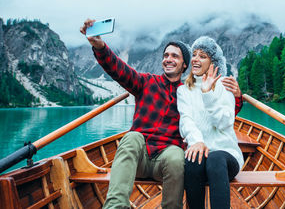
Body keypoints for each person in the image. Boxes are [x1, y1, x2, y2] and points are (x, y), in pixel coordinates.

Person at [80, 20, 243, 209]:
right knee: (132, 137)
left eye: (175, 56)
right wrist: (100, 47)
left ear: (184, 65)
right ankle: (115, 206)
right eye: (166, 55)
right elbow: (119, 70)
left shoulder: (189, 90)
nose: (168, 59)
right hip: (139, 158)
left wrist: (237, 97)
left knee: (176, 154)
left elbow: (221, 115)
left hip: (166, 160)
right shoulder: (146, 83)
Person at [177, 36, 244, 209]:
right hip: (200, 151)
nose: (196, 59)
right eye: (194, 54)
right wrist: (197, 141)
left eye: (203, 56)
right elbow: (186, 121)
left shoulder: (225, 85)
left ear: (212, 62)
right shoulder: (184, 90)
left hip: (226, 155)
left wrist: (208, 95)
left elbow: (224, 122)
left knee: (215, 158)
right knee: (192, 162)